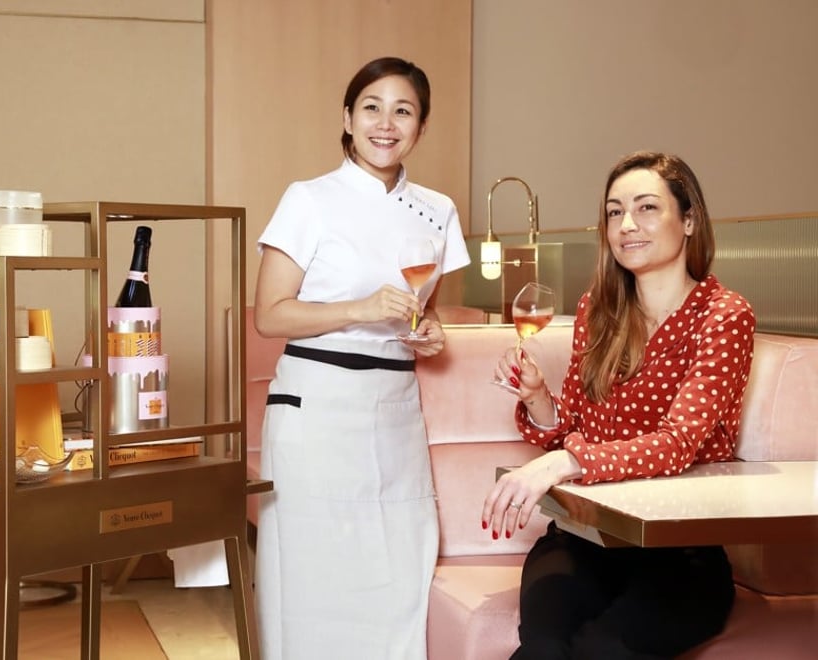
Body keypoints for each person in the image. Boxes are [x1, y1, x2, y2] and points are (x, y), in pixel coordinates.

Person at [482, 151, 756, 659]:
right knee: (541, 649)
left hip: (679, 555)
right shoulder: (598, 309)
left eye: (647, 208)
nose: (627, 225)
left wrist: (564, 461)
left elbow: (677, 445)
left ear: (689, 219)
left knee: (600, 651)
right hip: (585, 535)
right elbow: (579, 428)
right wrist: (540, 398)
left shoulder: (723, 316)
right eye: (614, 211)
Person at [252, 56, 470, 659]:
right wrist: (360, 308)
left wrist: (426, 332)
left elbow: (426, 313)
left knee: (399, 561)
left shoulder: (438, 210)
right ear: (348, 118)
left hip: (395, 409)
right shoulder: (309, 199)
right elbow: (270, 314)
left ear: (422, 127)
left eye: (404, 111)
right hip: (317, 407)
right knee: (312, 573)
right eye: (371, 107)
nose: (386, 123)